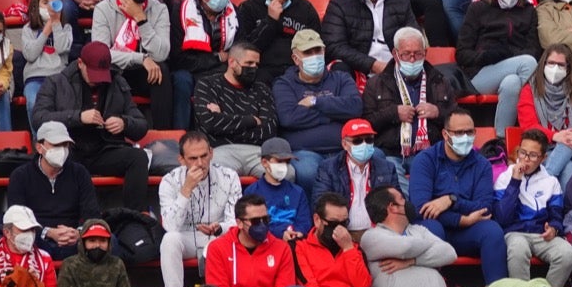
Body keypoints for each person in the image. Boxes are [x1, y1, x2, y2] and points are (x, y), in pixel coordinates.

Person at [32, 41, 151, 211]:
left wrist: (124, 122)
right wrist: (78, 117)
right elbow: (38, 119)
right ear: (80, 63)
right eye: (93, 74)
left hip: (105, 149)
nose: (98, 80)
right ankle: (62, 214)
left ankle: (134, 216)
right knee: (52, 156)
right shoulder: (56, 82)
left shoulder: (117, 83)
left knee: (138, 158)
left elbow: (141, 125)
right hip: (70, 150)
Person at [409, 109, 507, 283]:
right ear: (445, 135)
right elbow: (421, 209)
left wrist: (450, 200)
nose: (465, 137)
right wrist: (462, 220)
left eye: (470, 132)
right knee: (432, 227)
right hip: (435, 227)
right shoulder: (425, 160)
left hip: (466, 232)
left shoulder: (482, 164)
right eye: (459, 132)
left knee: (492, 231)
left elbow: (484, 207)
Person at [362, 26, 459, 184]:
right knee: (392, 180)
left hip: (428, 152)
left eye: (418, 54)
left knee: (428, 176)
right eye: (406, 54)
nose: (413, 59)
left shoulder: (440, 81)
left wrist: (438, 112)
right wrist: (393, 113)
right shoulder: (376, 83)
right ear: (395, 54)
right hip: (390, 153)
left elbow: (458, 119)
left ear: (425, 53)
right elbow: (366, 123)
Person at [456, 0, 540, 133]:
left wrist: (509, 53)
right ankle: (534, 124)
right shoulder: (478, 9)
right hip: (480, 74)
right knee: (528, 64)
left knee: (512, 83)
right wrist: (486, 56)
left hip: (514, 69)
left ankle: (502, 140)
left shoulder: (528, 11)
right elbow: (462, 53)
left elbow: (533, 49)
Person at [272, 29, 363, 187]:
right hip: (305, 152)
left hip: (344, 148)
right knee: (308, 172)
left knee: (376, 157)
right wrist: (333, 114)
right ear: (296, 58)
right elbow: (288, 118)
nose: (314, 56)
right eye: (308, 52)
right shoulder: (284, 84)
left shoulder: (341, 78)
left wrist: (316, 102)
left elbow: (355, 108)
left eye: (317, 50)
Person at [158, 130, 243, 287]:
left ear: (211, 153)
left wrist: (220, 228)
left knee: (218, 244)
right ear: (181, 160)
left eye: (204, 156)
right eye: (193, 158)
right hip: (186, 235)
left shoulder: (229, 176)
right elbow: (170, 226)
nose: (200, 163)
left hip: (219, 236)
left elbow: (235, 222)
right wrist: (186, 189)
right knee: (169, 240)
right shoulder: (169, 181)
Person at [90, 0, 172, 123]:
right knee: (107, 72)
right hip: (117, 69)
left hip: (145, 73)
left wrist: (141, 19)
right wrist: (141, 59)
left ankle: (164, 137)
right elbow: (101, 54)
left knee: (161, 70)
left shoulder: (159, 9)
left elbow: (161, 53)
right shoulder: (103, 9)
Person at [4, 121, 99, 261]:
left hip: (73, 237)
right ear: (39, 147)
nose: (62, 149)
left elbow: (92, 213)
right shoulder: (20, 176)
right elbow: (16, 217)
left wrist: (79, 233)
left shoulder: (80, 173)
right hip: (37, 237)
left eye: (65, 145)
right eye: (56, 145)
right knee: (20, 239)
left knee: (107, 242)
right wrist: (47, 232)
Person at [204, 194, 295, 287]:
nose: (262, 225)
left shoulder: (282, 248)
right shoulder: (218, 248)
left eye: (266, 219)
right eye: (256, 221)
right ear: (239, 223)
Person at [495, 130, 572, 287]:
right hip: (514, 232)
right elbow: (502, 217)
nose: (525, 159)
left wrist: (554, 229)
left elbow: (557, 214)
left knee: (567, 254)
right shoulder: (505, 177)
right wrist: (515, 182)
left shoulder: (551, 182)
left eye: (533, 155)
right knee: (518, 249)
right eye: (522, 153)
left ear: (544, 158)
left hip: (541, 235)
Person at [164, 0, 237, 128]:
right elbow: (178, 58)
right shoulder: (180, 12)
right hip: (190, 69)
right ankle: (179, 134)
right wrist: (216, 57)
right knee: (181, 80)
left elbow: (239, 49)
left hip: (219, 69)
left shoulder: (234, 13)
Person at [323, 0, 414, 79]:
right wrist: (372, 64)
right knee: (340, 69)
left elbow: (413, 35)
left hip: (396, 66)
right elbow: (335, 46)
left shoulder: (401, 1)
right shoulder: (341, 2)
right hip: (358, 67)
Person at [192, 40, 276, 176]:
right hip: (221, 150)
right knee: (215, 172)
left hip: (256, 152)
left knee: (286, 173)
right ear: (232, 63)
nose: (253, 68)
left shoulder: (262, 90)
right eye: (249, 63)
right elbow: (209, 123)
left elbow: (268, 131)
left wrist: (223, 121)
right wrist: (252, 121)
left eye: (256, 64)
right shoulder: (207, 85)